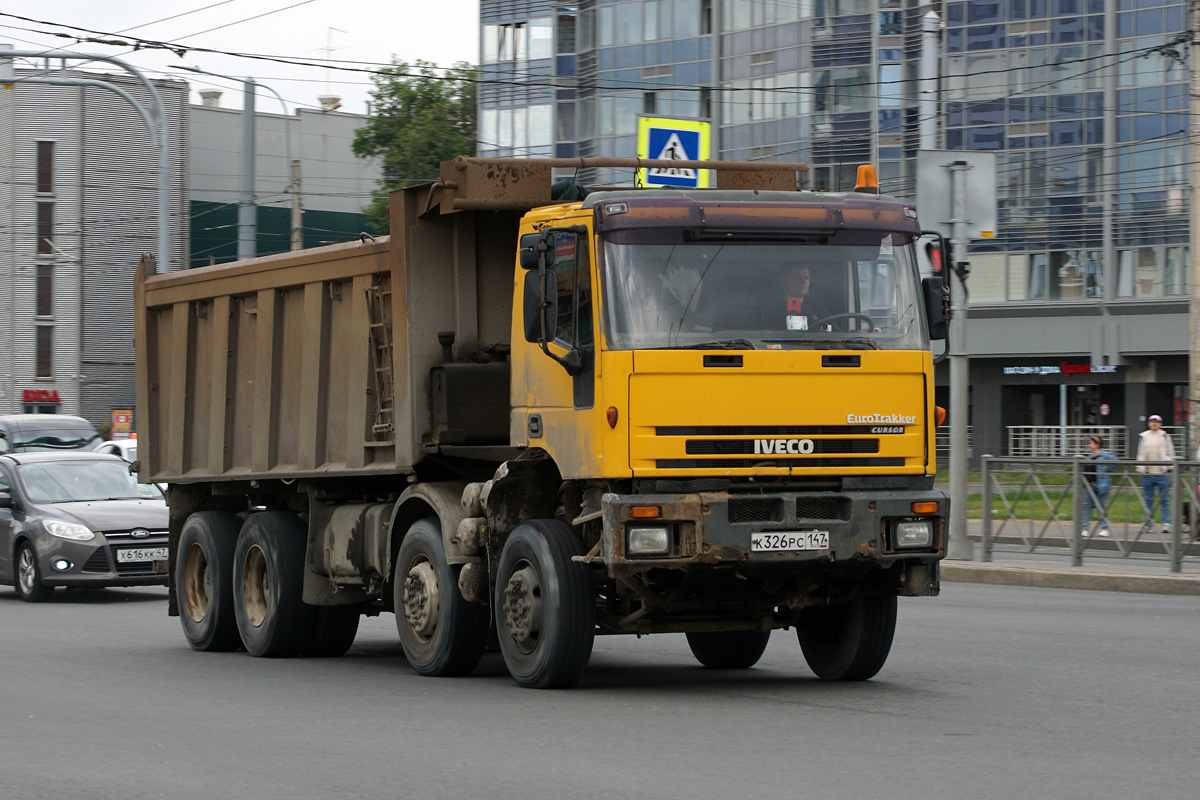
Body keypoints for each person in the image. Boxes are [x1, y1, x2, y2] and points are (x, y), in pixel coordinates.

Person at [1135, 414, 1175, 533]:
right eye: (1152, 422)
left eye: (1156, 422)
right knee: (1148, 499)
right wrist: (1140, 466)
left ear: (1160, 424)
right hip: (1148, 473)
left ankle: (1166, 523)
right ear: (1149, 423)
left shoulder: (1165, 436)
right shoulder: (1144, 436)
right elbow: (1140, 453)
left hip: (1162, 473)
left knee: (1164, 499)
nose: (1154, 424)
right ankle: (1148, 523)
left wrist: (1170, 465)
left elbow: (1170, 452)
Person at [1080, 435, 1117, 538]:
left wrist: (1106, 470)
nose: (1089, 445)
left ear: (1098, 444)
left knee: (1101, 507)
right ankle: (1085, 529)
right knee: (1086, 507)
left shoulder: (1105, 455)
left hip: (1101, 484)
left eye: (1091, 443)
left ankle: (1104, 528)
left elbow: (1116, 463)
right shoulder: (1089, 457)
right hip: (1089, 485)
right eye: (1089, 443)